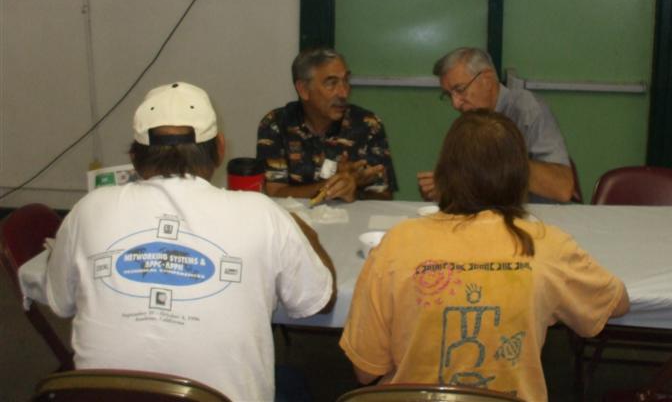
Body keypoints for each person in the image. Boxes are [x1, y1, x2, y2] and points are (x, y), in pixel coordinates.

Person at [42, 82, 335, 401]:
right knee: (294, 383)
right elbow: (319, 301)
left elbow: (61, 301)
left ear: (134, 159)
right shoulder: (264, 215)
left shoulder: (89, 210)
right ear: (221, 149)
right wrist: (303, 231)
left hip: (103, 396)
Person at [341, 110, 629, 401]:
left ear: (444, 172)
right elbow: (615, 303)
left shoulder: (398, 243)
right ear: (520, 177)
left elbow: (365, 371)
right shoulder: (546, 245)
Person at [418, 47, 573, 203]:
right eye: (448, 95)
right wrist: (448, 189)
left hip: (538, 219)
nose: (455, 104)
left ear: (487, 79)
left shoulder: (527, 109)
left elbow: (562, 188)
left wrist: (496, 161)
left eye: (460, 89)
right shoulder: (467, 124)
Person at [257, 47, 397, 203]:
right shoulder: (276, 124)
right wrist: (335, 183)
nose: (344, 93)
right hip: (294, 223)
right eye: (331, 83)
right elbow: (275, 194)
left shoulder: (368, 125)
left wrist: (353, 190)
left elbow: (384, 198)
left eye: (346, 81)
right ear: (303, 89)